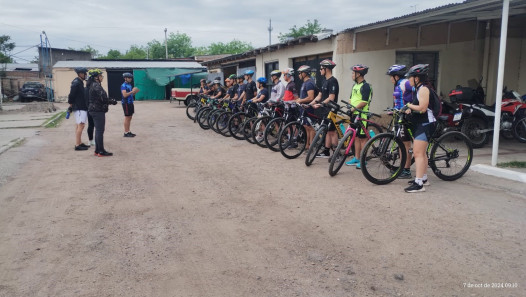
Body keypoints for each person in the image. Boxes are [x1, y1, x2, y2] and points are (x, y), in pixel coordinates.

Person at [403, 64, 436, 193]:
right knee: (421, 153)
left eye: (410, 77)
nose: (408, 80)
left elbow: (422, 108)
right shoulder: (420, 89)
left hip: (426, 124)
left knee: (417, 153)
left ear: (416, 78)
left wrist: (409, 105)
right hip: (423, 123)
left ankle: (419, 184)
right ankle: (423, 178)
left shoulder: (423, 89)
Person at [387, 64, 413, 179]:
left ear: (396, 76)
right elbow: (399, 99)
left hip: (406, 117)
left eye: (391, 76)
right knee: (401, 143)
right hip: (399, 116)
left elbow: (417, 94)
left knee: (405, 144)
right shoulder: (398, 84)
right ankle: (403, 167)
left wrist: (410, 108)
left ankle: (406, 170)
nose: (390, 78)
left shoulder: (405, 83)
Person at [310, 59, 339, 158]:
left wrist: (321, 104)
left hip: (331, 109)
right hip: (324, 109)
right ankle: (326, 151)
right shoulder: (324, 81)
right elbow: (320, 95)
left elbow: (331, 97)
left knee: (332, 131)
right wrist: (310, 104)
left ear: (326, 69)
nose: (320, 70)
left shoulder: (333, 81)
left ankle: (336, 153)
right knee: (326, 131)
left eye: (321, 68)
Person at [345, 64, 372, 169]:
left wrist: (353, 108)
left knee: (362, 138)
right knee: (355, 137)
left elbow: (364, 102)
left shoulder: (366, 86)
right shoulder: (355, 85)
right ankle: (356, 157)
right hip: (354, 114)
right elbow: (351, 98)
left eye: (353, 73)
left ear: (359, 74)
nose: (352, 75)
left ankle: (363, 160)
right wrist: (349, 106)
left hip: (362, 115)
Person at [88, 69, 117, 157]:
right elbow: (103, 98)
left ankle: (97, 150)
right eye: (100, 75)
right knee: (100, 130)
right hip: (97, 110)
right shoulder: (96, 86)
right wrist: (112, 101)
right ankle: (101, 151)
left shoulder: (92, 85)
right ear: (96, 77)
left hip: (94, 110)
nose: (102, 77)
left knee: (98, 130)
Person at [68, 67, 90, 151]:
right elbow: (71, 95)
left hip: (81, 106)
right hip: (79, 107)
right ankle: (77, 145)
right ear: (80, 74)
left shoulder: (79, 82)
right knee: (81, 125)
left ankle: (79, 142)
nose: (86, 75)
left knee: (79, 125)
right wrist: (71, 103)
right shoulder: (76, 83)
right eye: (85, 73)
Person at [296, 65, 317, 149]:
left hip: (308, 108)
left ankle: (311, 145)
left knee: (310, 127)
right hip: (303, 108)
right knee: (306, 126)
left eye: (300, 73)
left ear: (304, 73)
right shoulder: (304, 83)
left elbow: (310, 97)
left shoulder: (309, 83)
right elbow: (303, 96)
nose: (299, 75)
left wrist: (300, 101)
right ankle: (307, 144)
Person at [121, 72, 139, 137]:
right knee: (127, 117)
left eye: (131, 78)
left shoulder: (129, 85)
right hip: (126, 103)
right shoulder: (123, 85)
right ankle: (126, 132)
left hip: (130, 102)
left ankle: (128, 131)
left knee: (130, 117)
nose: (130, 79)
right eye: (129, 78)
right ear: (125, 78)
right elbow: (125, 95)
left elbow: (131, 94)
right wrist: (132, 91)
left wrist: (135, 92)